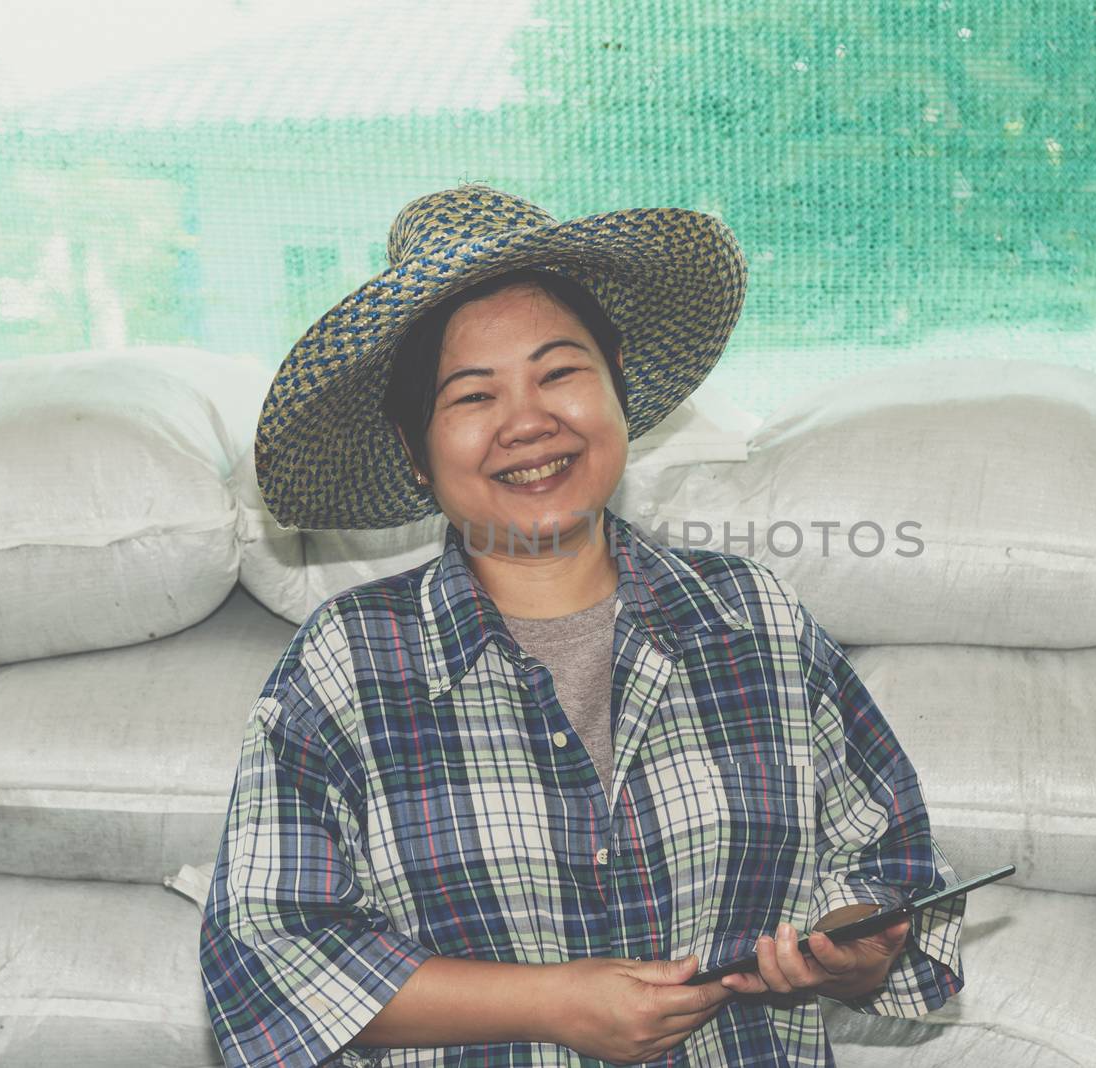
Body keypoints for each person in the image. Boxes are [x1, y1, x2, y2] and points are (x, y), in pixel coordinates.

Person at [200, 184, 965, 1067]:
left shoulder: (753, 620)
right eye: (472, 396)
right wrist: (553, 1003)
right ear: (417, 454)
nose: (528, 422)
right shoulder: (350, 661)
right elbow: (265, 958)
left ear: (618, 395)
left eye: (559, 372)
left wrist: (853, 953)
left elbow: (890, 864)